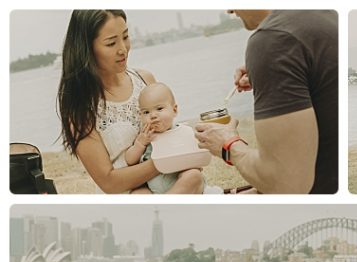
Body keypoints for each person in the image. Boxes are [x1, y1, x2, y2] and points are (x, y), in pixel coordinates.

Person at [57, 10, 203, 194]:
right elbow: (109, 183)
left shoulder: (144, 79)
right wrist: (169, 161)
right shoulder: (81, 108)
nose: (123, 49)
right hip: (126, 194)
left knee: (193, 178)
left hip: (169, 182)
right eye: (111, 43)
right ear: (86, 48)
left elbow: (169, 129)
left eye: (125, 37)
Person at [194, 10, 339, 194]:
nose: (229, 9)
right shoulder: (323, 13)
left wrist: (228, 144)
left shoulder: (274, 40)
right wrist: (276, 72)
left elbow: (287, 185)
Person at [124, 83, 205, 194]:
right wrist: (139, 144)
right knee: (137, 194)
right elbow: (130, 160)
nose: (153, 115)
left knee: (194, 175)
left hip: (182, 187)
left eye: (159, 108)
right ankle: (165, 203)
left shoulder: (182, 131)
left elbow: (197, 155)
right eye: (146, 112)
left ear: (174, 110)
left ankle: (166, 203)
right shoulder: (145, 137)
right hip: (154, 191)